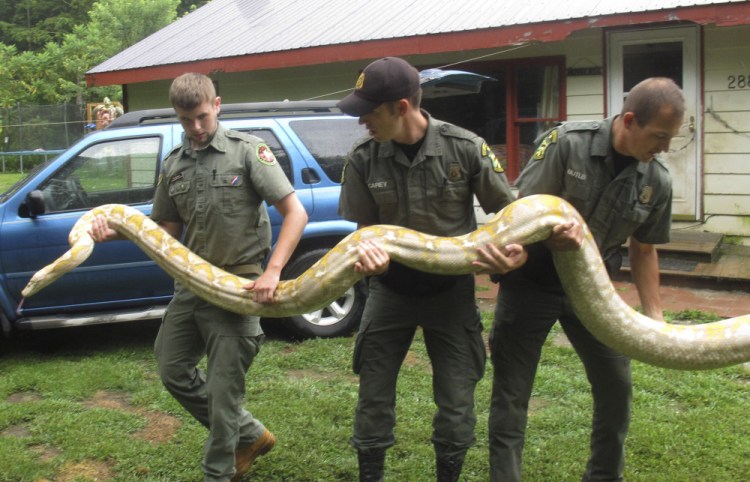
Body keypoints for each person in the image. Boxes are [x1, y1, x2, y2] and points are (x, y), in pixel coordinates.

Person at [89, 72, 308, 482]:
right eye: (186, 120)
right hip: (191, 284)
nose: (196, 128)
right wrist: (113, 232)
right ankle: (249, 435)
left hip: (239, 286)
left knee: (225, 394)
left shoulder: (248, 151)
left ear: (218, 105)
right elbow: (166, 231)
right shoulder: (173, 164)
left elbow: (295, 212)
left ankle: (220, 472)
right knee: (172, 367)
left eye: (203, 117)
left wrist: (273, 272)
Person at [482, 77, 685, 482]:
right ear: (629, 120)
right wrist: (545, 235)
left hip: (596, 293)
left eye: (671, 138)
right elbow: (523, 211)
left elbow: (644, 249)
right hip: (532, 283)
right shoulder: (567, 143)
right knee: (511, 394)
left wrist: (655, 316)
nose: (664, 148)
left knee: (616, 386)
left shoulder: (656, 180)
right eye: (659, 136)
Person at [336, 56, 526, 482]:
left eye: (369, 111)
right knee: (373, 394)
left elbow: (511, 216)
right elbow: (364, 229)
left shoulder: (465, 147)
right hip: (390, 291)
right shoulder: (365, 157)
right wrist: (367, 254)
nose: (362, 120)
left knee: (457, 397)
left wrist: (515, 252)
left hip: (451, 294)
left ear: (401, 107)